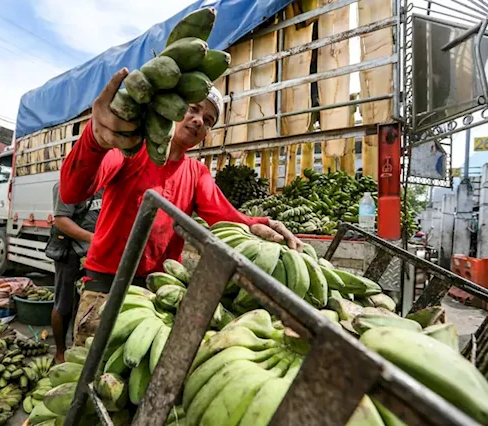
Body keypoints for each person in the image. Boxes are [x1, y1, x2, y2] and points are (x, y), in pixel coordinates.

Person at [60, 68, 303, 346]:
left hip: (158, 288)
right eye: (193, 109)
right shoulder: (131, 148)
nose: (199, 120)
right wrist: (95, 138)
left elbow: (225, 217)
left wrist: (264, 226)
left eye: (208, 120)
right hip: (107, 281)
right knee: (90, 364)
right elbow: (73, 190)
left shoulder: (196, 172)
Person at [50, 182, 102, 362]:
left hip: (95, 256)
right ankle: (60, 352)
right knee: (63, 303)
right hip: (71, 252)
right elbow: (61, 220)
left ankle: (77, 348)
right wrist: (93, 238)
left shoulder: (105, 184)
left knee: (87, 304)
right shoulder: (67, 185)